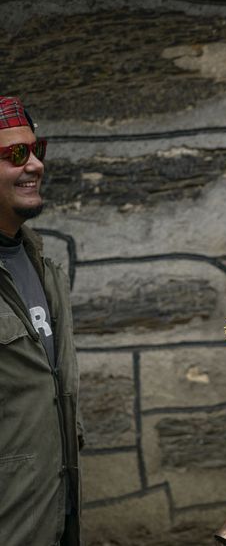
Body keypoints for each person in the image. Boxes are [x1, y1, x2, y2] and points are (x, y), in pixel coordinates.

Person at [0, 96, 83, 546]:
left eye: (37, 150)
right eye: (15, 155)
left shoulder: (41, 267)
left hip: (54, 520)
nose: (35, 165)